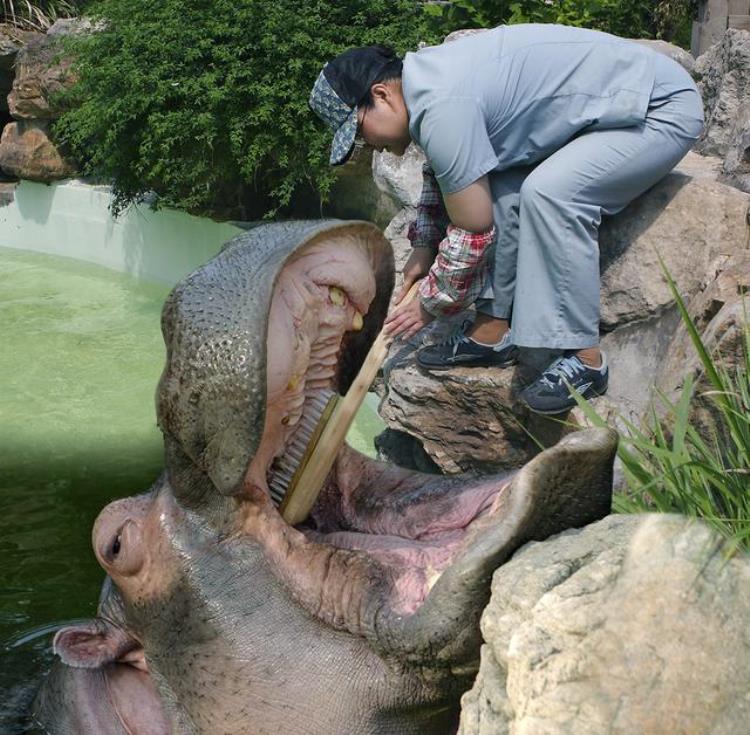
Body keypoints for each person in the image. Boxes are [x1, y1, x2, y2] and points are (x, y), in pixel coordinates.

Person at [308, 24, 704, 414]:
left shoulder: (441, 105)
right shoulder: (425, 85)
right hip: (614, 112)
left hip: (657, 110)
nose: (370, 145)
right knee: (498, 188)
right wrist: (425, 247)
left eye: (360, 132)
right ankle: (492, 333)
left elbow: (473, 229)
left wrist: (431, 302)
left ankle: (587, 361)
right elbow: (447, 174)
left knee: (550, 193)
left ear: (381, 94)